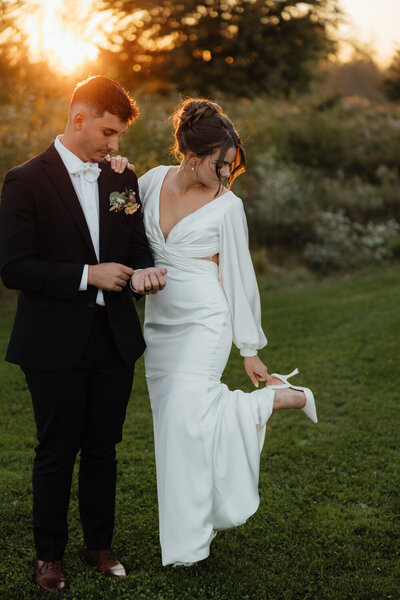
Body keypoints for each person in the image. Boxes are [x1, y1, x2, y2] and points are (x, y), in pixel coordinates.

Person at [112, 98, 318, 567]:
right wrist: (114, 172)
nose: (225, 174)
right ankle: (188, 535)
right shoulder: (147, 182)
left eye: (230, 167)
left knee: (189, 418)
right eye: (220, 164)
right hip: (160, 326)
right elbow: (119, 224)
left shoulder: (228, 207)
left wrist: (249, 349)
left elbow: (239, 277)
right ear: (191, 150)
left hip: (205, 320)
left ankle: (279, 397)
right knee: (174, 431)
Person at [0, 76, 167, 593]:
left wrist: (143, 273)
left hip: (114, 338)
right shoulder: (25, 180)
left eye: (118, 136)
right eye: (109, 132)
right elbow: (12, 266)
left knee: (103, 449)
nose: (115, 145)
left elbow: (136, 246)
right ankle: (49, 556)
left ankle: (100, 545)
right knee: (56, 451)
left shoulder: (120, 179)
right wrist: (85, 275)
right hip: (52, 341)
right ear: (79, 120)